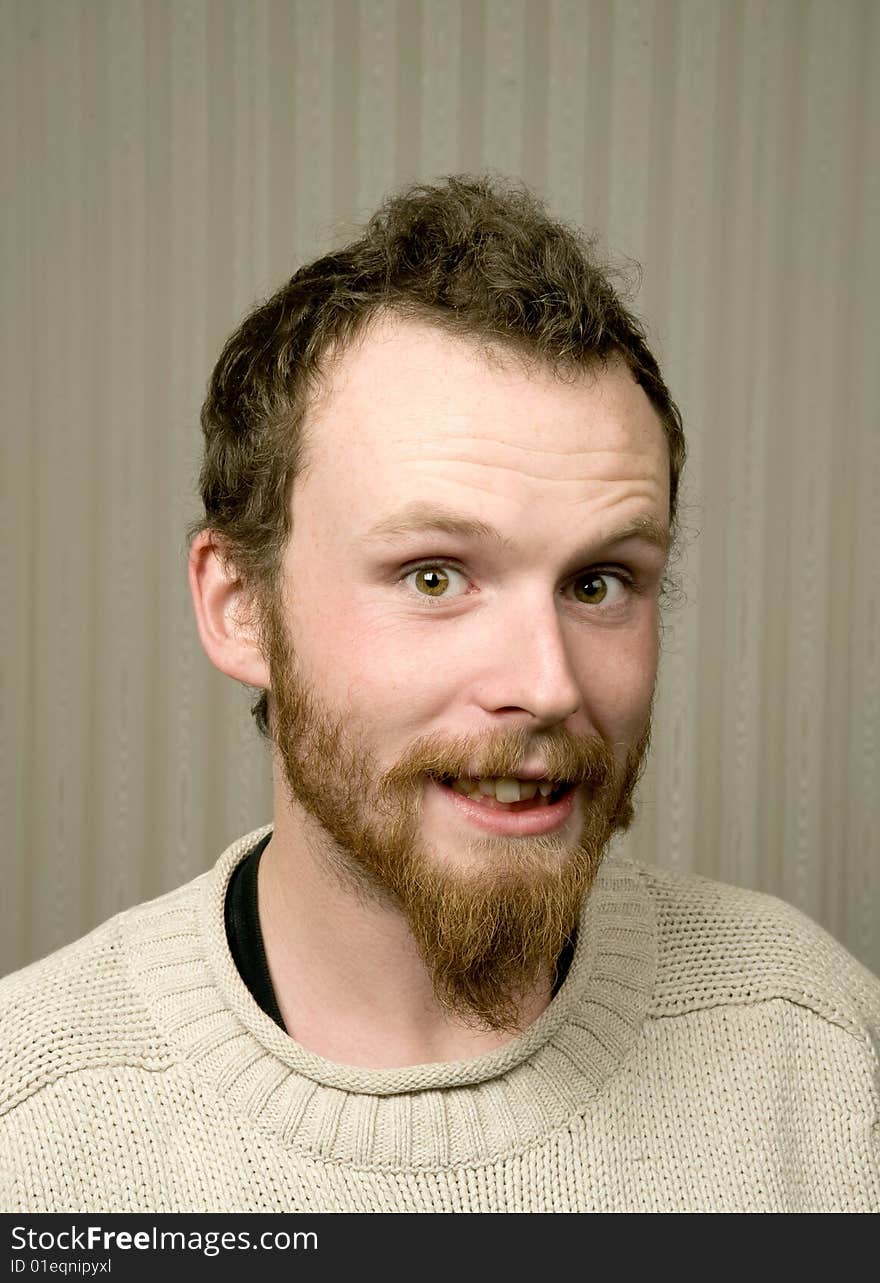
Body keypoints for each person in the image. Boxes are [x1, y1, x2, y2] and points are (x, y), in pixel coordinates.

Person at [2, 177, 878, 1214]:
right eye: (434, 575)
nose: (546, 685)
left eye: (599, 582)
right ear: (238, 603)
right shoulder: (36, 1120)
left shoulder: (814, 1048)